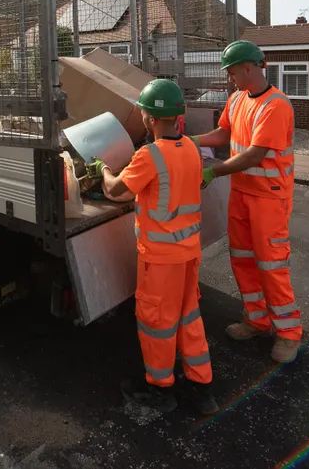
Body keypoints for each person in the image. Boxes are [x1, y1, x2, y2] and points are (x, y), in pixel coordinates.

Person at [97, 79, 218, 415]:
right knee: (188, 316)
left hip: (160, 260)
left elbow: (117, 191)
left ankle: (160, 388)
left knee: (157, 322)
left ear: (149, 119)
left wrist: (104, 170)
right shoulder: (192, 150)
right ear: (178, 116)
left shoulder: (149, 155)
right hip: (189, 254)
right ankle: (201, 386)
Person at [193, 40, 301, 363]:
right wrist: (188, 142)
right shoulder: (238, 100)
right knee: (241, 259)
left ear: (249, 68)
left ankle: (288, 334)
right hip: (242, 194)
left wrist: (213, 173)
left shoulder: (276, 105)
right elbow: (223, 134)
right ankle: (256, 320)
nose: (229, 79)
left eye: (232, 72)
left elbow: (255, 153)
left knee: (271, 266)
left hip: (269, 199)